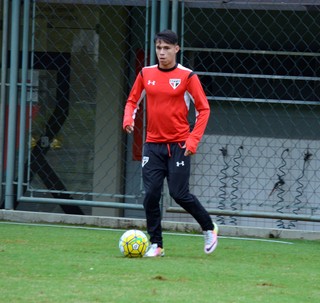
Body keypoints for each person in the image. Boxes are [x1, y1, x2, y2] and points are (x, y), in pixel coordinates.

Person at [123, 29, 218, 257]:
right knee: (152, 194)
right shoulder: (146, 74)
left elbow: (204, 109)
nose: (162, 53)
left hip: (179, 145)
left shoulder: (187, 76)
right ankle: (156, 244)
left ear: (177, 49)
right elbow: (132, 100)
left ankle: (209, 227)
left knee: (179, 194)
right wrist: (128, 119)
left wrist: (193, 139)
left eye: (166, 48)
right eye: (158, 48)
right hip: (152, 145)